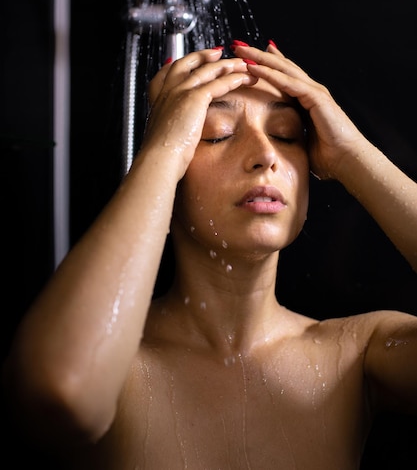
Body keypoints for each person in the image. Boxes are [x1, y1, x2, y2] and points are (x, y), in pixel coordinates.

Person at [3, 41, 417, 469]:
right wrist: (161, 152)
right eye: (216, 134)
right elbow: (61, 392)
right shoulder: (114, 365)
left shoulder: (357, 353)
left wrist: (354, 154)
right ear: (172, 175)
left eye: (285, 136)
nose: (265, 157)